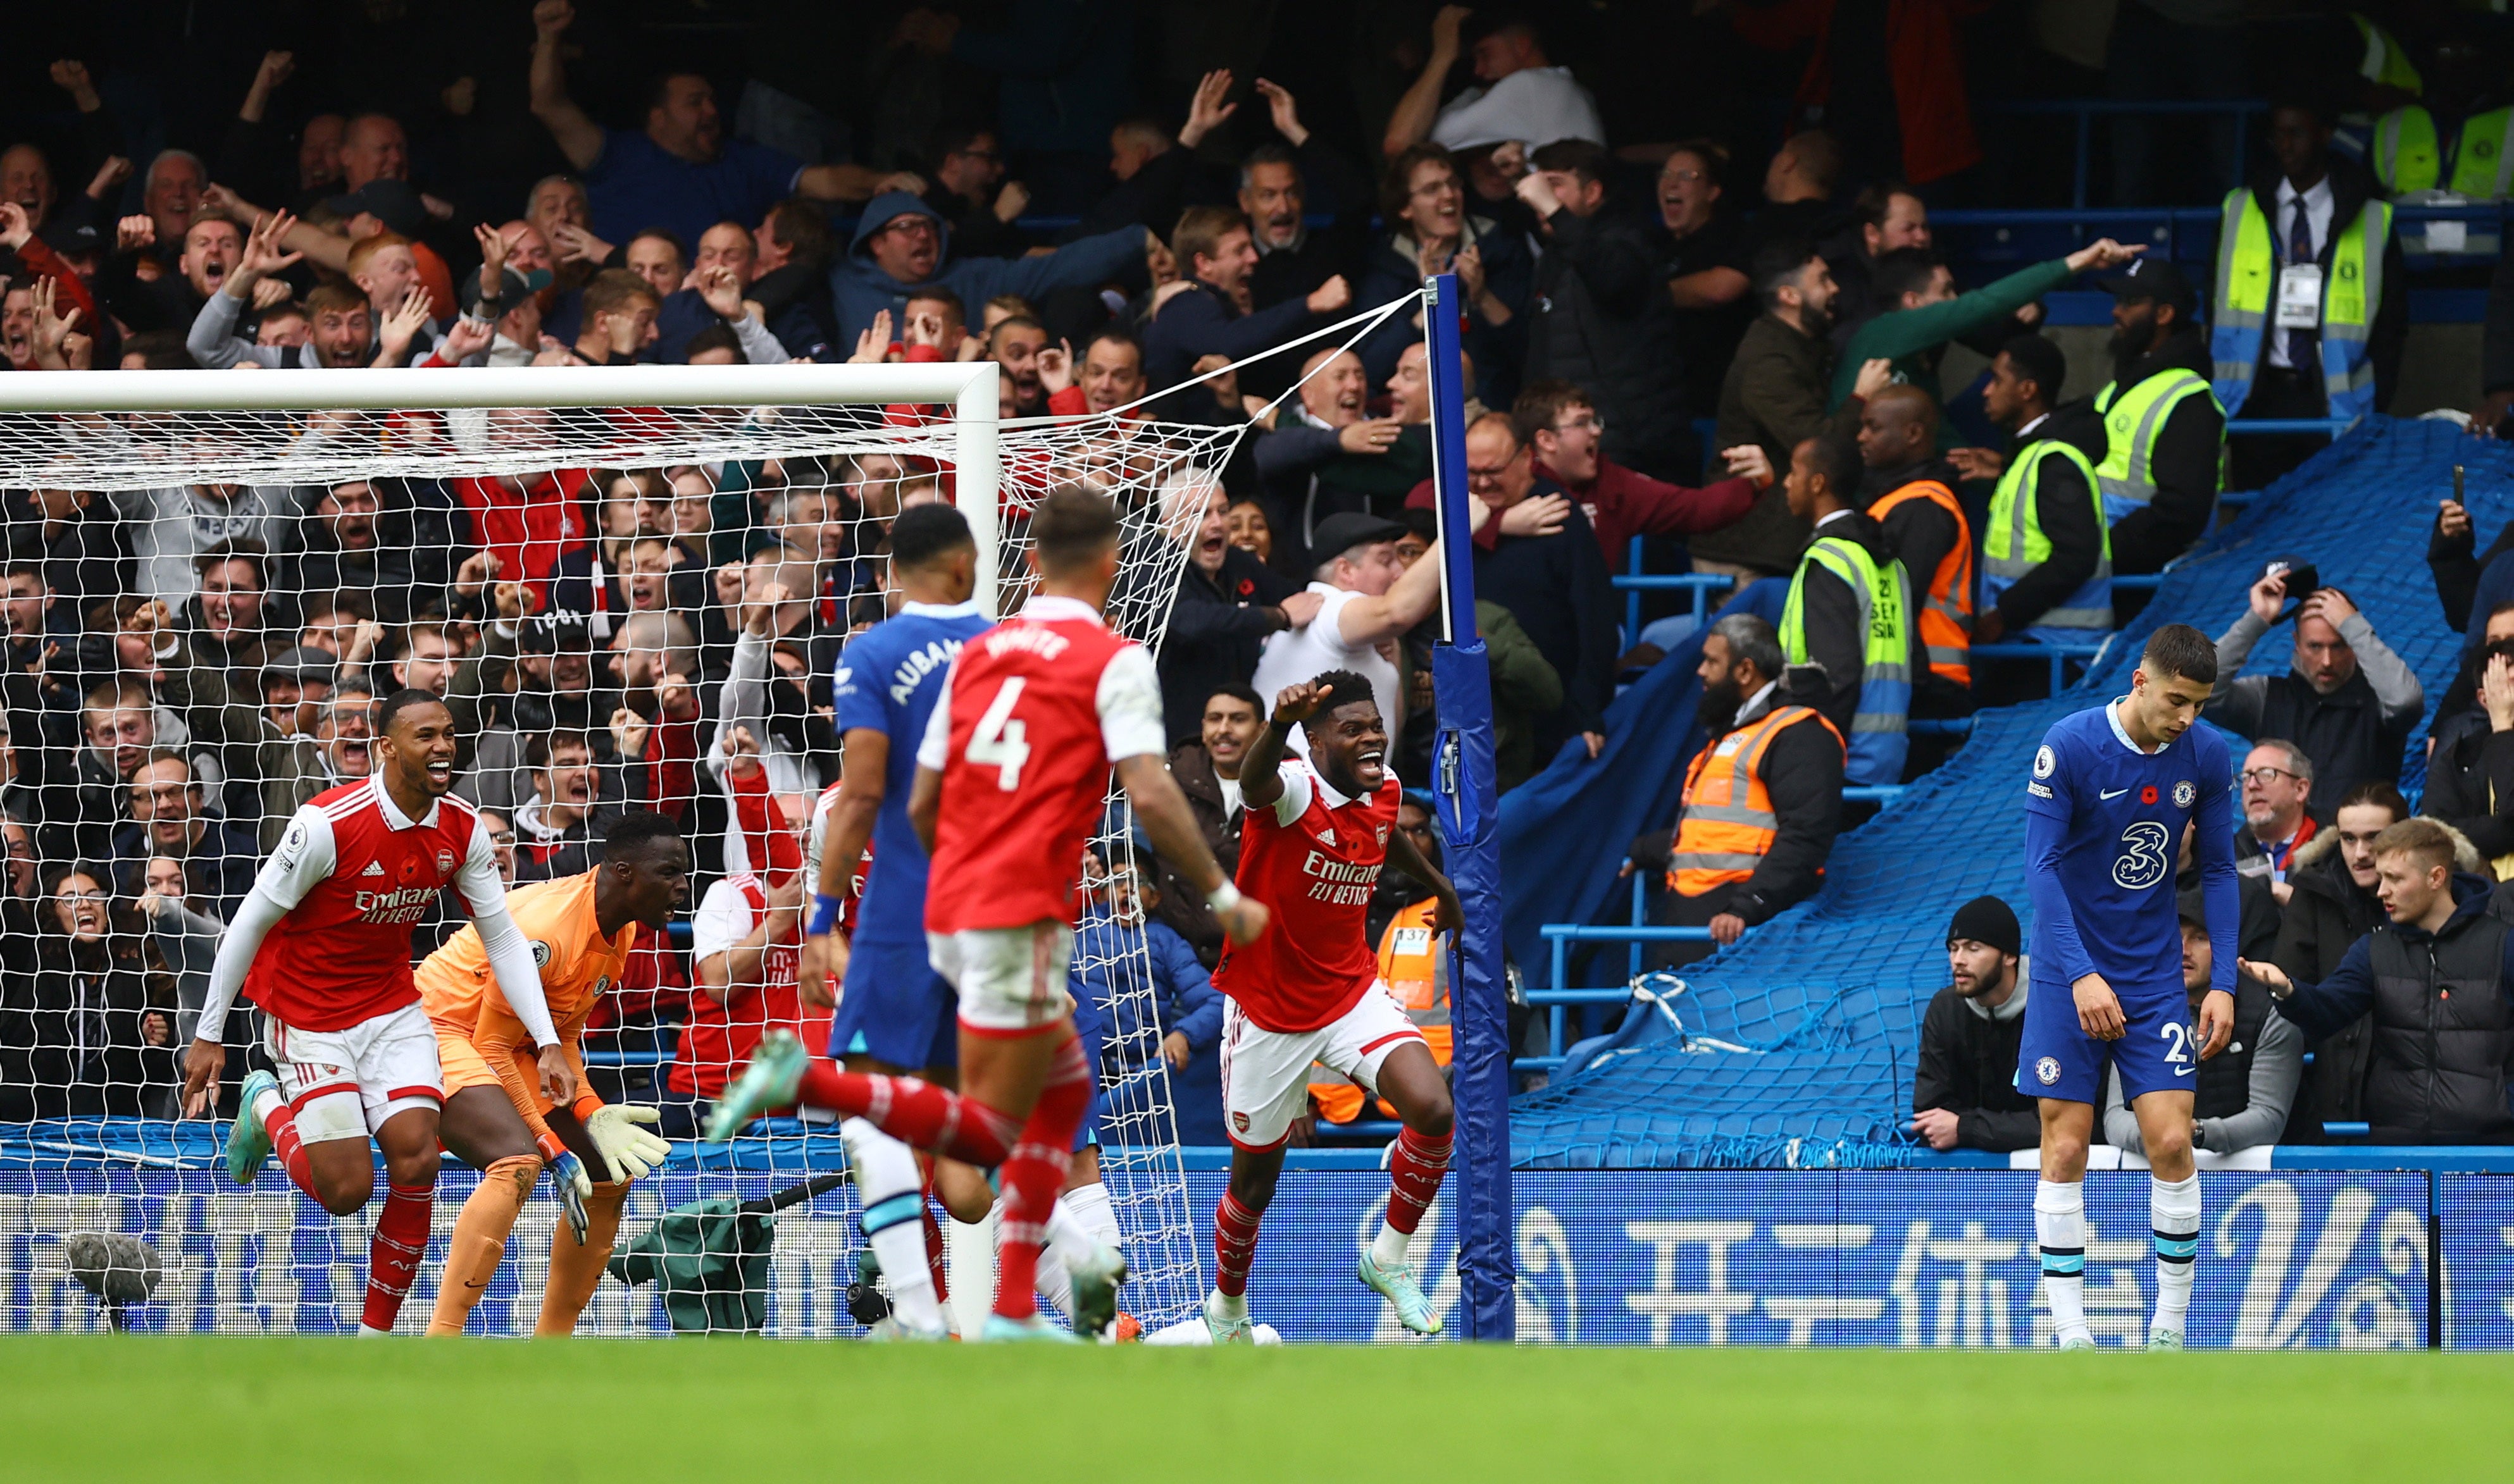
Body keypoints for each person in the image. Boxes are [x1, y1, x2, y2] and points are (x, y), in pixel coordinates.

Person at [709, 486, 1269, 1342]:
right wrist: (1222, 893)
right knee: (1044, 1107)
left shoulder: (949, 651)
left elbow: (900, 795)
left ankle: (1044, 1309)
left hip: (929, 909)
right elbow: (1147, 789)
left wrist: (860, 904)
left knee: (967, 1174)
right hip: (1013, 913)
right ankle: (1024, 1311)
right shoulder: (1070, 653)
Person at [179, 689, 570, 1337]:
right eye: (425, 736)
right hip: (307, 1015)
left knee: (418, 1158)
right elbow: (249, 920)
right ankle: (263, 1105)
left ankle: (375, 1338)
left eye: (448, 733)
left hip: (391, 1010)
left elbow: (500, 936)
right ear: (387, 748)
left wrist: (548, 1038)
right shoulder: (327, 823)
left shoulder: (463, 828)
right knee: (346, 1192)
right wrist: (209, 1033)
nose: (442, 746)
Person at [1202, 673, 1460, 1340]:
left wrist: (1440, 886)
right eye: (1351, 729)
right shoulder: (1289, 789)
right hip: (1267, 1009)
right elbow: (1258, 782)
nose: (1371, 737)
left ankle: (1388, 1257)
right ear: (1313, 741)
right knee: (1254, 1187)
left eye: (1373, 724)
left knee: (1433, 1110)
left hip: (1349, 993)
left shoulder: (1387, 788)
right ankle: (1227, 1307)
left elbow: (1384, 835)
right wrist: (1272, 726)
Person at [796, 504, 992, 1339]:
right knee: (969, 1176)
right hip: (1008, 913)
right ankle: (1098, 1311)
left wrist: (821, 916)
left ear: (892, 571)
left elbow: (864, 793)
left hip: (912, 909)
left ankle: (915, 1314)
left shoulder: (872, 652)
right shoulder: (1010, 648)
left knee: (870, 1104)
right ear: (965, 562)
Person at [2019, 622, 2237, 1352]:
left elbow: (2217, 871)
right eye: (2178, 700)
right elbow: (2041, 867)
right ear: (2140, 680)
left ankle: (2167, 1335)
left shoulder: (2205, 753)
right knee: (2068, 1147)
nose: (2187, 718)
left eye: (2199, 704)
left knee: (2172, 1143)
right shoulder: (2071, 744)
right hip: (2064, 969)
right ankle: (2072, 1337)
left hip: (2149, 975)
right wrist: (2080, 974)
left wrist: (2224, 982)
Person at [418, 815, 683, 1337]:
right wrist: (549, 1145)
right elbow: (490, 1044)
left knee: (608, 1171)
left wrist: (590, 1113)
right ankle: (441, 1342)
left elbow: (558, 1042)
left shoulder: (620, 931)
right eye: (670, 872)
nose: (682, 887)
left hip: (506, 1042)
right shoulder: (547, 932)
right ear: (625, 873)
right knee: (518, 1161)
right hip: (436, 1028)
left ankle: (552, 1346)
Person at [527, 0, 902, 249]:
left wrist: (882, 181)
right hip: (622, 303)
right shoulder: (616, 154)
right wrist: (547, 38)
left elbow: (826, 180)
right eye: (695, 103)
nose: (710, 111)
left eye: (711, 100)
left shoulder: (743, 162)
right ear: (658, 119)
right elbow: (548, 104)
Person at [2243, 818, 2514, 1145]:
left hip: (2493, 1149)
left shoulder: (2503, 945)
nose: (2381, 890)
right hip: (2396, 1145)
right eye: (2381, 876)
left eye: (2395, 878)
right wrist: (2288, 990)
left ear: (2436, 878)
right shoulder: (2374, 950)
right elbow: (2327, 1013)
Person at [2211, 96, 2406, 491]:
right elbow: (2216, 310)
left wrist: (2375, 400)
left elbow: (2392, 326)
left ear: (2325, 134)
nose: (2285, 146)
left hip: (2336, 401)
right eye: (2277, 134)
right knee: (2257, 525)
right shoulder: (2240, 209)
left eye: (2296, 133)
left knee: (2330, 524)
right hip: (2257, 398)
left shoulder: (2371, 217)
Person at [1633, 613, 1843, 969]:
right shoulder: (1735, 732)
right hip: (1696, 917)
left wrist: (1748, 906)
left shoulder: (1798, 732)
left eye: (1713, 661)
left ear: (1745, 671)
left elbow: (1806, 835)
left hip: (1742, 930)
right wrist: (1644, 850)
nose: (1701, 671)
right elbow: (1718, 832)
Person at [1695, 240, 1889, 583]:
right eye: (1823, 280)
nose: (1835, 289)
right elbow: (1815, 447)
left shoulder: (1805, 347)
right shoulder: (1767, 361)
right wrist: (1860, 399)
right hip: (1747, 555)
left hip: (1773, 547)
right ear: (1790, 295)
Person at [1517, 139, 1691, 478]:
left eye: (1554, 186)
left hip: (1626, 438)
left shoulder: (1628, 236)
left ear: (1593, 192)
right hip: (1562, 436)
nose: (1540, 196)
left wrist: (1554, 211)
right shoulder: (1559, 248)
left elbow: (1613, 281)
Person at [1829, 238, 2142, 417]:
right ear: (1912, 301)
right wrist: (2076, 263)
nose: (1956, 300)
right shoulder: (1885, 332)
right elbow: (1983, 305)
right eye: (1947, 292)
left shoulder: (1918, 359)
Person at [2205, 564, 2422, 815]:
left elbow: (2407, 702)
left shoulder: (2381, 700)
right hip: (2282, 851)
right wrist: (2257, 619)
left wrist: (2354, 627)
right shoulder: (2266, 698)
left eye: (2339, 646)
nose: (2327, 660)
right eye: (2316, 647)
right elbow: (2202, 689)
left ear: (2354, 644)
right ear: (2297, 644)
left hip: (2358, 849)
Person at [2104, 888, 2300, 1159]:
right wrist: (2163, 1138)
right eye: (2174, 937)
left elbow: (2268, 1118)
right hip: (2165, 1162)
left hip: (2267, 1180)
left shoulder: (2268, 1012)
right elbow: (2115, 1116)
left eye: (2199, 938)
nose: (2184, 951)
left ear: (2227, 947)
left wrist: (2194, 1133)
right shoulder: (2139, 1010)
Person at [2271, 780, 2407, 1144]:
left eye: (2374, 838)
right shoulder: (2313, 891)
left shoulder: (2439, 896)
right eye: (2348, 838)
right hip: (2330, 1083)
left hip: (2407, 1090)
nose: (2360, 853)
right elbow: (2295, 987)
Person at [1963, 336, 2110, 665]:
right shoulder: (2033, 457)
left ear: (2027, 390)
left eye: (1997, 380)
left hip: (2052, 651)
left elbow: (2076, 556)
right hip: (2035, 644)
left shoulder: (2054, 461)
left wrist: (2003, 615)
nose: (1986, 391)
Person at [1778, 434, 1912, 786]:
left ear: (1818, 483)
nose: (1786, 482)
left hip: (1841, 761)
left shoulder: (1830, 559)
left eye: (1793, 472)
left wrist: (1814, 762)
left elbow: (1835, 674)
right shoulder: (1887, 561)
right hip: (1887, 752)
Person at [1250, 512, 1445, 753]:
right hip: (1306, 786)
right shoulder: (1330, 607)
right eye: (1385, 562)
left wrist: (1392, 649)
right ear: (1346, 571)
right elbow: (1395, 613)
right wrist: (1454, 531)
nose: (1400, 573)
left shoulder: (1363, 629)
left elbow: (1392, 725)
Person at [2086, 259, 2225, 586]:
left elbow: (2181, 514)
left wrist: (2099, 551)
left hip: (2148, 587)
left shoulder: (2189, 400)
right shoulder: (2119, 388)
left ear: (2164, 315)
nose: (2116, 312)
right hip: (2106, 575)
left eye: (2131, 303)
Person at [1155, 474, 1313, 747]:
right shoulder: (1153, 564)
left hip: (1240, 733)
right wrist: (1278, 617)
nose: (1217, 523)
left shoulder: (1237, 562)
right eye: (1201, 514)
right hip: (1177, 738)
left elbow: (1302, 599)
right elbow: (1189, 622)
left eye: (1223, 511)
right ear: (1171, 526)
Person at [1143, 206, 1347, 418]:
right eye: (1240, 251)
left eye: (1251, 247)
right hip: (1174, 446)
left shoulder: (1223, 303)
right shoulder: (1184, 303)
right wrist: (1311, 303)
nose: (1253, 258)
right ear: (1204, 264)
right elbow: (1228, 343)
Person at [1856, 385, 1971, 717]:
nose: (1862, 437)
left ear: (1913, 434)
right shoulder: (1894, 498)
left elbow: (1899, 597)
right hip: (1908, 676)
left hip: (1928, 681)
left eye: (1873, 427)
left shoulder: (1923, 505)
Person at [1381, 8, 1603, 159]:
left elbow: (1403, 143)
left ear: (1522, 46)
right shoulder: (1571, 88)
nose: (1479, 70)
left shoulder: (1529, 86)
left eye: (1485, 54)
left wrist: (1443, 54)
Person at [1909, 896, 2038, 1153]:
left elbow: (2072, 1122)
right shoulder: (1945, 1009)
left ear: (2009, 956)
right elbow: (1931, 1118)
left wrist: (1965, 1128)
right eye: (1954, 948)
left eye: (1973, 948)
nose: (1958, 960)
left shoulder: (2052, 1007)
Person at [1154, 684, 1266, 969]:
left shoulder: (1292, 785)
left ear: (1263, 730)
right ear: (1203, 729)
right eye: (1215, 719)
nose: (1224, 730)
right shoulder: (1170, 779)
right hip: (1174, 959)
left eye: (1238, 719)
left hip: (1253, 957)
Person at [2234, 741, 2318, 897]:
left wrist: (2295, 902)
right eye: (2246, 777)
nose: (2252, 785)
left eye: (2266, 774)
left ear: (2300, 789)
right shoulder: (2224, 856)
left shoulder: (2334, 852)